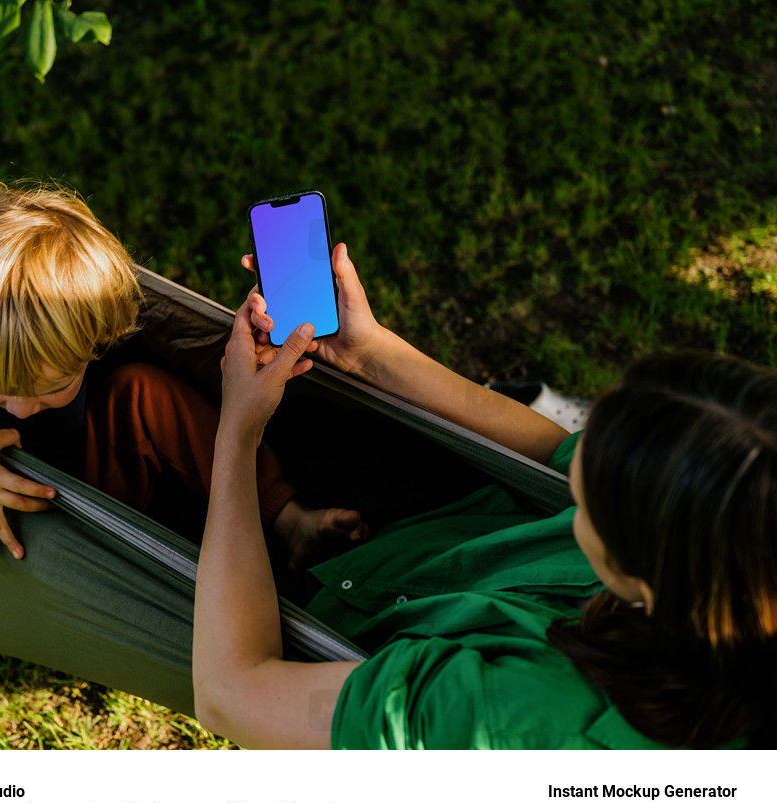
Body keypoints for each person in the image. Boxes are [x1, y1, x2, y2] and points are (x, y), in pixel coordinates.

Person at [192, 241, 776, 749]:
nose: (582, 446)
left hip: (325, 619)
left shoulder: (507, 718)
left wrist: (239, 432)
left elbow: (233, 694)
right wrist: (371, 352)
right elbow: (549, 452)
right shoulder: (734, 552)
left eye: (601, 468)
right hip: (419, 541)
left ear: (640, 564)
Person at [0, 161, 365, 566]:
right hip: (57, 522)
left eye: (53, 386)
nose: (20, 406)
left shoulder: (85, 330)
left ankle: (287, 521)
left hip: (98, 474)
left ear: (97, 342)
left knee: (142, 389)